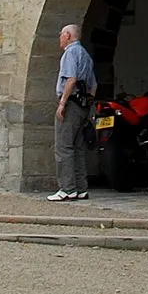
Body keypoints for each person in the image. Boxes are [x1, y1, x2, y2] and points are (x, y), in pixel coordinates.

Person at [50, 23, 96, 201]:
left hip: (71, 103)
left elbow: (71, 79)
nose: (59, 38)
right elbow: (94, 86)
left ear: (68, 35)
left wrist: (62, 103)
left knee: (63, 147)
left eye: (61, 34)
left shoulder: (70, 53)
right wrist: (88, 105)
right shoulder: (85, 55)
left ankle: (67, 189)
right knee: (78, 147)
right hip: (83, 104)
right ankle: (81, 187)